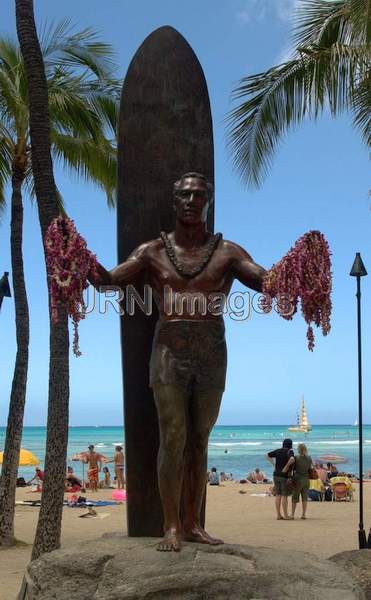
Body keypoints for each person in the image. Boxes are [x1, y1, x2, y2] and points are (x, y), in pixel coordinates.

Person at [90, 172, 266, 551]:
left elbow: (265, 281)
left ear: (208, 202)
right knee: (173, 436)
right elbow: (108, 279)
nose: (190, 200)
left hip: (211, 354)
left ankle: (192, 523)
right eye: (184, 195)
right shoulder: (152, 252)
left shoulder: (228, 252)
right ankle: (170, 526)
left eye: (198, 195)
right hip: (168, 352)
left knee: (199, 441)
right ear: (174, 202)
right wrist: (74, 256)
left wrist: (303, 263)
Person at [266, 439, 294, 520]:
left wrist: (273, 464)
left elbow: (267, 455)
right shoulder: (290, 451)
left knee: (278, 495)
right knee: (284, 496)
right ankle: (285, 515)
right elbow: (292, 459)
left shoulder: (278, 451)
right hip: (284, 476)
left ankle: (278, 515)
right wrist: (286, 467)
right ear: (290, 445)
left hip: (276, 475)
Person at [285, 443, 314, 519]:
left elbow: (291, 465)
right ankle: (303, 514)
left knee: (295, 497)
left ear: (298, 450)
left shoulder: (296, 458)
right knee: (304, 497)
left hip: (297, 479)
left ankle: (292, 514)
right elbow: (312, 467)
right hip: (306, 479)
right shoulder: (309, 458)